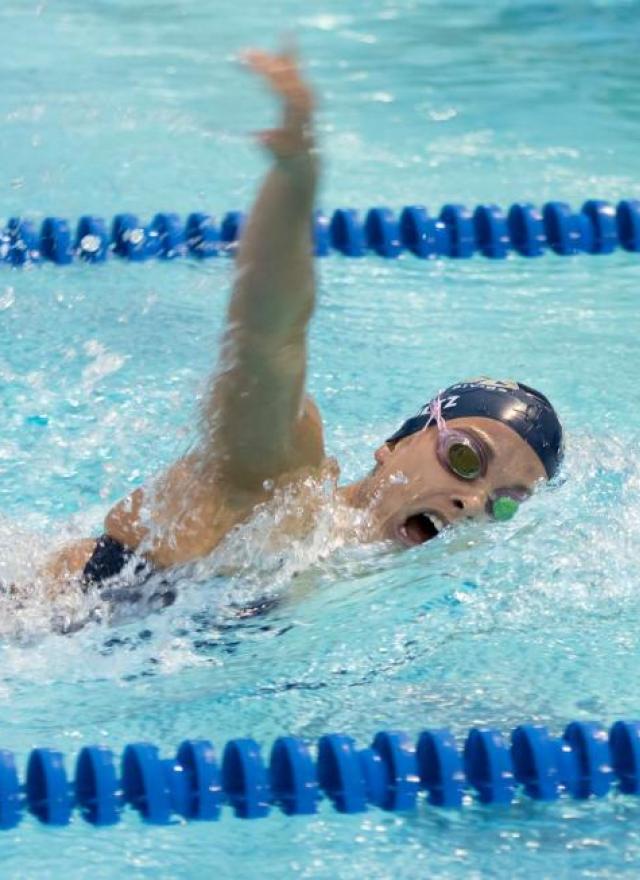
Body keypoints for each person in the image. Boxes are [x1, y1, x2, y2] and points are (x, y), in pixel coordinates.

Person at [43, 47, 563, 601]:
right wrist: (296, 181)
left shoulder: (365, 585)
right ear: (394, 444)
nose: (474, 503)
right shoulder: (283, 484)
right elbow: (268, 337)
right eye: (465, 458)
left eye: (505, 503)